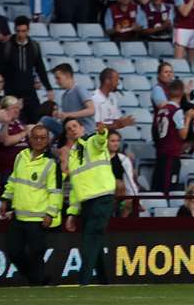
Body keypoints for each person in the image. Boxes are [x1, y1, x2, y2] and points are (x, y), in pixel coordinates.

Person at [1, 123, 59, 286]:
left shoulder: (51, 163)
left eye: (43, 138)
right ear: (30, 138)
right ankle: (36, 279)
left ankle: (38, 283)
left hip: (37, 217)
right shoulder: (21, 156)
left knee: (36, 253)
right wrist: (6, 199)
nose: (39, 141)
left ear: (48, 140)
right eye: (36, 137)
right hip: (18, 215)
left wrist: (50, 214)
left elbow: (55, 191)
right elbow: (13, 180)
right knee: (13, 252)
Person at [63, 121, 117, 286]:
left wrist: (102, 133)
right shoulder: (73, 154)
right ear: (67, 135)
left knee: (90, 239)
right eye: (69, 129)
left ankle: (84, 281)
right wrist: (72, 212)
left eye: (75, 126)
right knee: (95, 242)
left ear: (82, 129)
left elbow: (100, 142)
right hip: (87, 202)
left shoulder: (91, 141)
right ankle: (104, 281)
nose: (72, 129)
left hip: (102, 198)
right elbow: (75, 186)